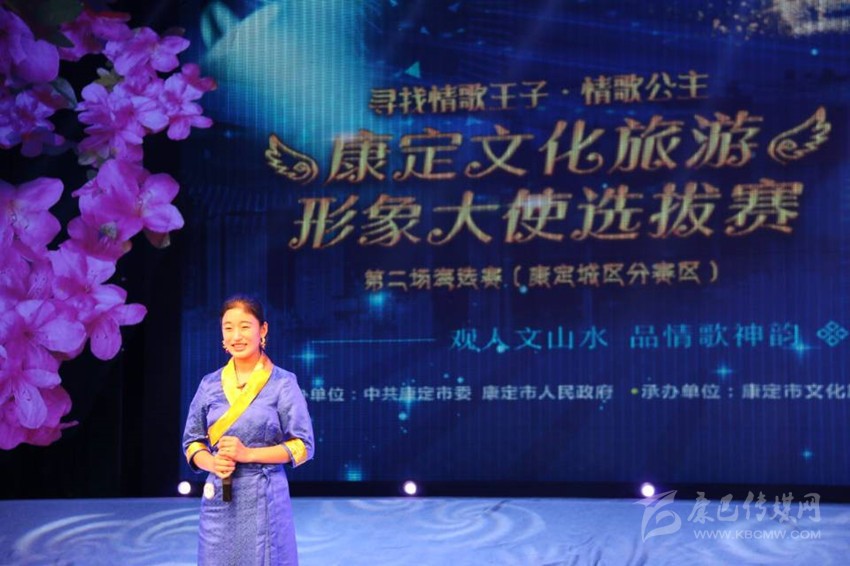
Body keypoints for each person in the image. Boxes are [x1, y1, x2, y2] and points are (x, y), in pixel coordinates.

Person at [182, 295, 314, 565]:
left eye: (244, 326)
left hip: (264, 496)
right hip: (219, 496)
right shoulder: (209, 384)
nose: (236, 336)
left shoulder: (283, 383)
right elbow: (192, 443)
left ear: (262, 330)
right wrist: (212, 463)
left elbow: (303, 447)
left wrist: (248, 454)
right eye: (228, 327)